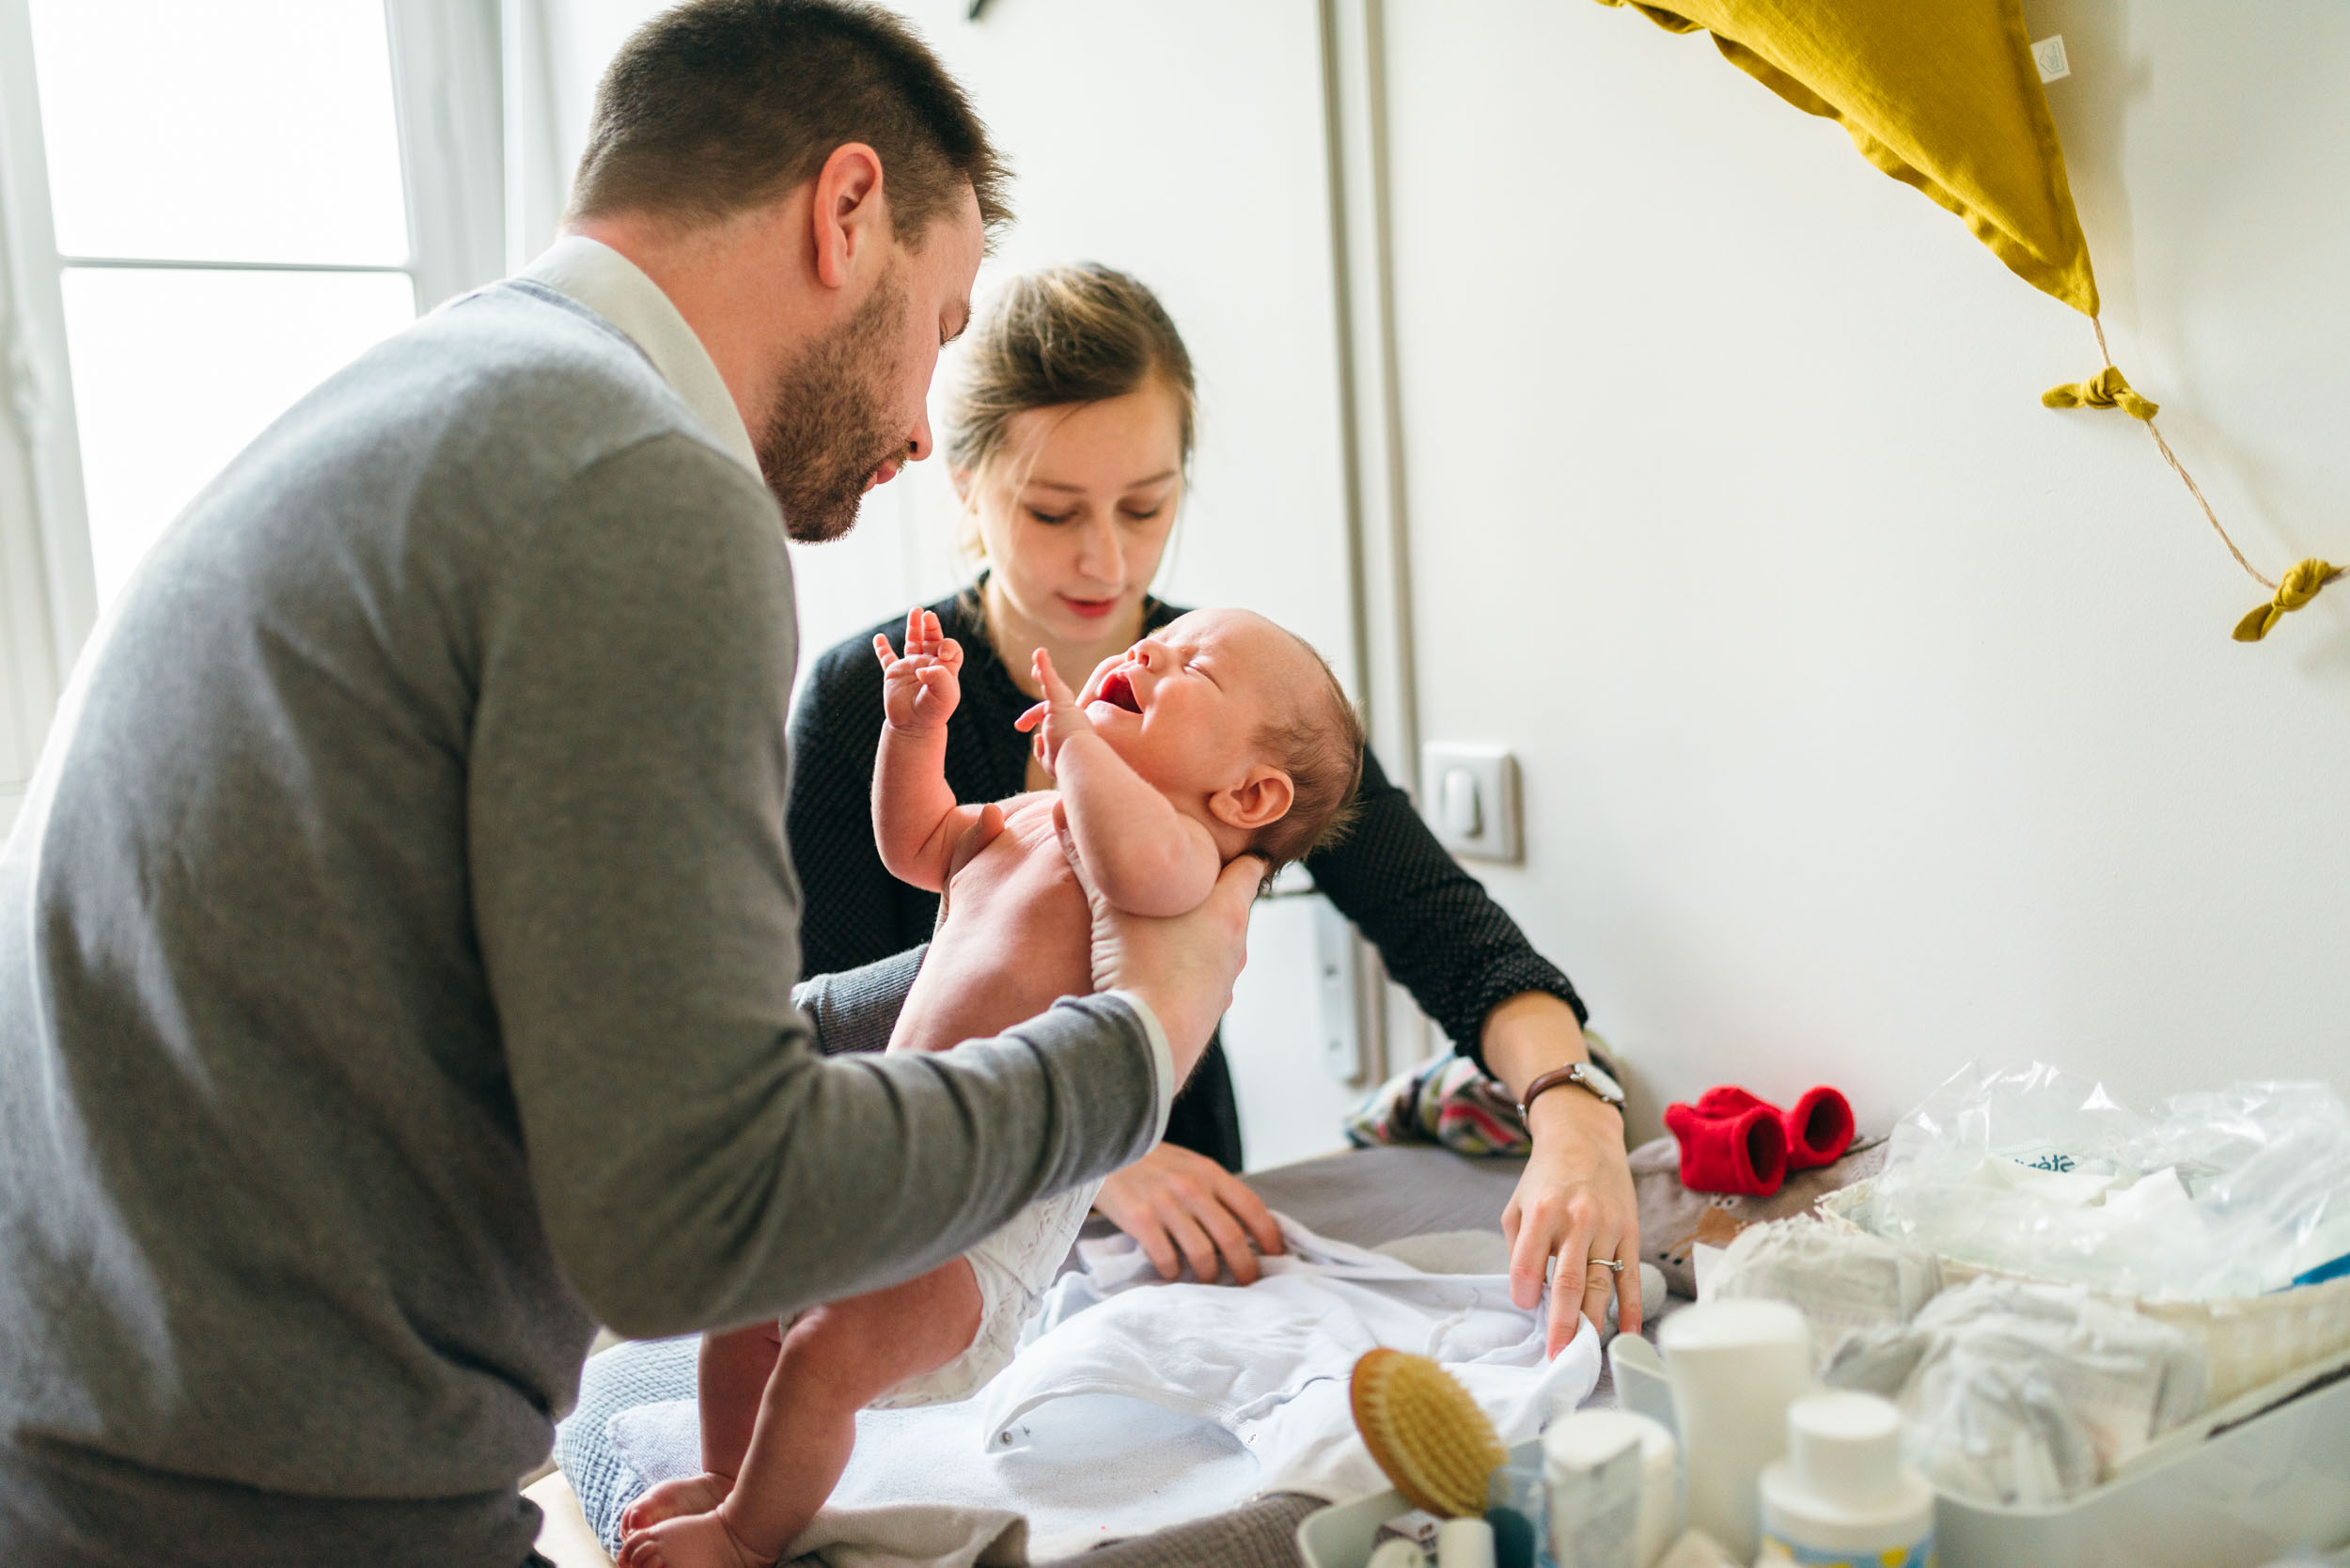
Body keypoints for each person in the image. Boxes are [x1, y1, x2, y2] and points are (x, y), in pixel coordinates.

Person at [0, 7, 1257, 1566]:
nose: (918, 429)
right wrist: (1131, 1049)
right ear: (844, 211)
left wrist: (965, 970)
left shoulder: (455, 396)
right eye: (938, 328)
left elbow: (625, 1067)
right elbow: (696, 1216)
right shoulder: (637, 482)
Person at [787, 264, 1642, 1354]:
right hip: (946, 1209)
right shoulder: (879, 698)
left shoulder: (1240, 701)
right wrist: (1091, 1144)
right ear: (964, 483)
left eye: (1146, 506)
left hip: (1182, 1231)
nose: (1107, 559)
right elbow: (814, 1043)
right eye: (1053, 512)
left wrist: (1571, 1105)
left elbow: (1439, 920)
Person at [621, 606, 1361, 1567]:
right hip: (898, 1151)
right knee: (751, 1307)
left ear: (1249, 796)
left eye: (1191, 669)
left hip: (977, 1229)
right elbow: (917, 842)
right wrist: (913, 732)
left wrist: (1081, 750)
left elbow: (1132, 858)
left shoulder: (1180, 863)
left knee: (820, 1358)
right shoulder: (1025, 819)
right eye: (1153, 648)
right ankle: (729, 1471)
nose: (1144, 652)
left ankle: (747, 1534)